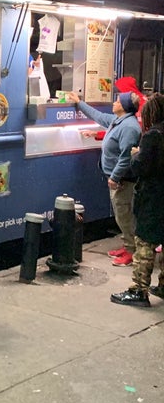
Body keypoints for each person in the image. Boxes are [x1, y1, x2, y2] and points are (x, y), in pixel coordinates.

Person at [67, 90, 141, 266]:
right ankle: (128, 245)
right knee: (121, 214)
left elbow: (126, 157)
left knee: (124, 216)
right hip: (118, 179)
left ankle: (132, 253)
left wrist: (115, 177)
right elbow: (98, 116)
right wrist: (79, 102)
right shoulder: (118, 121)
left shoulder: (129, 127)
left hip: (123, 181)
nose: (114, 103)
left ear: (125, 106)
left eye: (118, 101)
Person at [110, 93, 164, 307]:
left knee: (144, 243)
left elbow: (140, 167)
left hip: (153, 199)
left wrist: (136, 154)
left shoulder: (153, 136)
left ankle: (139, 291)